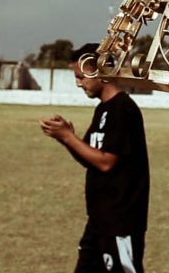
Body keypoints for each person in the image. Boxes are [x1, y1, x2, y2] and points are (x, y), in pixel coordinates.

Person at [40, 43, 150, 272]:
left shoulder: (123, 109)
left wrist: (69, 137)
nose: (78, 83)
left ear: (100, 71)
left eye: (81, 77)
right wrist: (66, 138)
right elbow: (90, 158)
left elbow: (106, 162)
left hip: (120, 222)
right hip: (99, 220)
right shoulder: (103, 109)